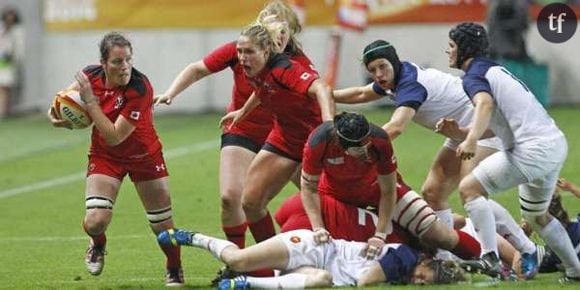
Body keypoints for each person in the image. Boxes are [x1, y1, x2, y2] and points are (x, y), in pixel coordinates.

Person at [154, 0, 312, 250]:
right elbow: (197, 69)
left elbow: (315, 93)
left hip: (286, 136)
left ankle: (345, 244)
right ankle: (245, 260)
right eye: (271, 28)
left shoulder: (297, 64)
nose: (278, 36)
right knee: (231, 198)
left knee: (322, 193)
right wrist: (171, 93)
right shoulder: (242, 50)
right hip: (243, 130)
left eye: (283, 30)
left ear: (291, 32)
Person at [437, 22, 580, 283]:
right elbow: (496, 128)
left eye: (452, 46)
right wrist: (460, 133)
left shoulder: (474, 75)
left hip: (533, 149)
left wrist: (469, 140)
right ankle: (575, 270)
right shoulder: (493, 71)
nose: (448, 52)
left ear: (465, 49)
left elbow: (485, 104)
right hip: (553, 144)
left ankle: (490, 256)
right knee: (537, 216)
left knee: (469, 189)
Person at [332, 39, 502, 246]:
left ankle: (516, 250)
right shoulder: (395, 77)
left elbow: (396, 127)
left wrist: (357, 148)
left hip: (484, 129)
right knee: (433, 192)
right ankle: (448, 253)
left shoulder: (410, 83)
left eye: (383, 67)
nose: (378, 74)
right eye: (372, 69)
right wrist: (324, 94)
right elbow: (361, 93)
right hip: (459, 132)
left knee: (471, 192)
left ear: (394, 62)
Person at [47, 32, 184, 286]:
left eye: (128, 60)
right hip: (105, 156)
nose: (125, 67)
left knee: (161, 225)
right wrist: (56, 113)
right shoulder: (90, 77)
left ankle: (174, 266)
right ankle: (97, 244)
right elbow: (64, 100)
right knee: (95, 221)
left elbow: (114, 135)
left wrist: (89, 102)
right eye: (117, 62)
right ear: (103, 63)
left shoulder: (140, 87)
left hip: (144, 156)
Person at [299, 112, 481, 260]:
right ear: (342, 146)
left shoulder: (379, 140)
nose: (366, 152)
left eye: (367, 144)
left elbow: (388, 190)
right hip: (337, 196)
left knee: (436, 233)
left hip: (376, 189)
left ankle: (484, 258)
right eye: (359, 150)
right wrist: (318, 227)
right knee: (337, 246)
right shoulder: (319, 141)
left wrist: (380, 235)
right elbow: (308, 187)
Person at [220, 22, 335, 245]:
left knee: (335, 203)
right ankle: (272, 260)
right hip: (284, 138)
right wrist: (242, 112)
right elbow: (262, 89)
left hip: (314, 141)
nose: (242, 57)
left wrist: (328, 124)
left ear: (266, 51)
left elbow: (323, 88)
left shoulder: (284, 68)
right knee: (250, 203)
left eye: (249, 52)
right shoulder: (254, 70)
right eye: (240, 52)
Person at [157, 228, 467, 288]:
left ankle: (243, 285)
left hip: (319, 269)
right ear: (427, 263)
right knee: (238, 258)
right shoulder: (403, 258)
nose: (418, 283)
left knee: (321, 281)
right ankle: (193, 238)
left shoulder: (406, 269)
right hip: (312, 247)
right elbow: (364, 280)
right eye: (425, 280)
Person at [0, 7, 24, 119]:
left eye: (11, 19)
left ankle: (4, 111)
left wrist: (15, 60)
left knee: (5, 88)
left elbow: (18, 50)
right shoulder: (1, 29)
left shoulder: (17, 31)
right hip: (1, 61)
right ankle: (4, 111)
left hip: (8, 63)